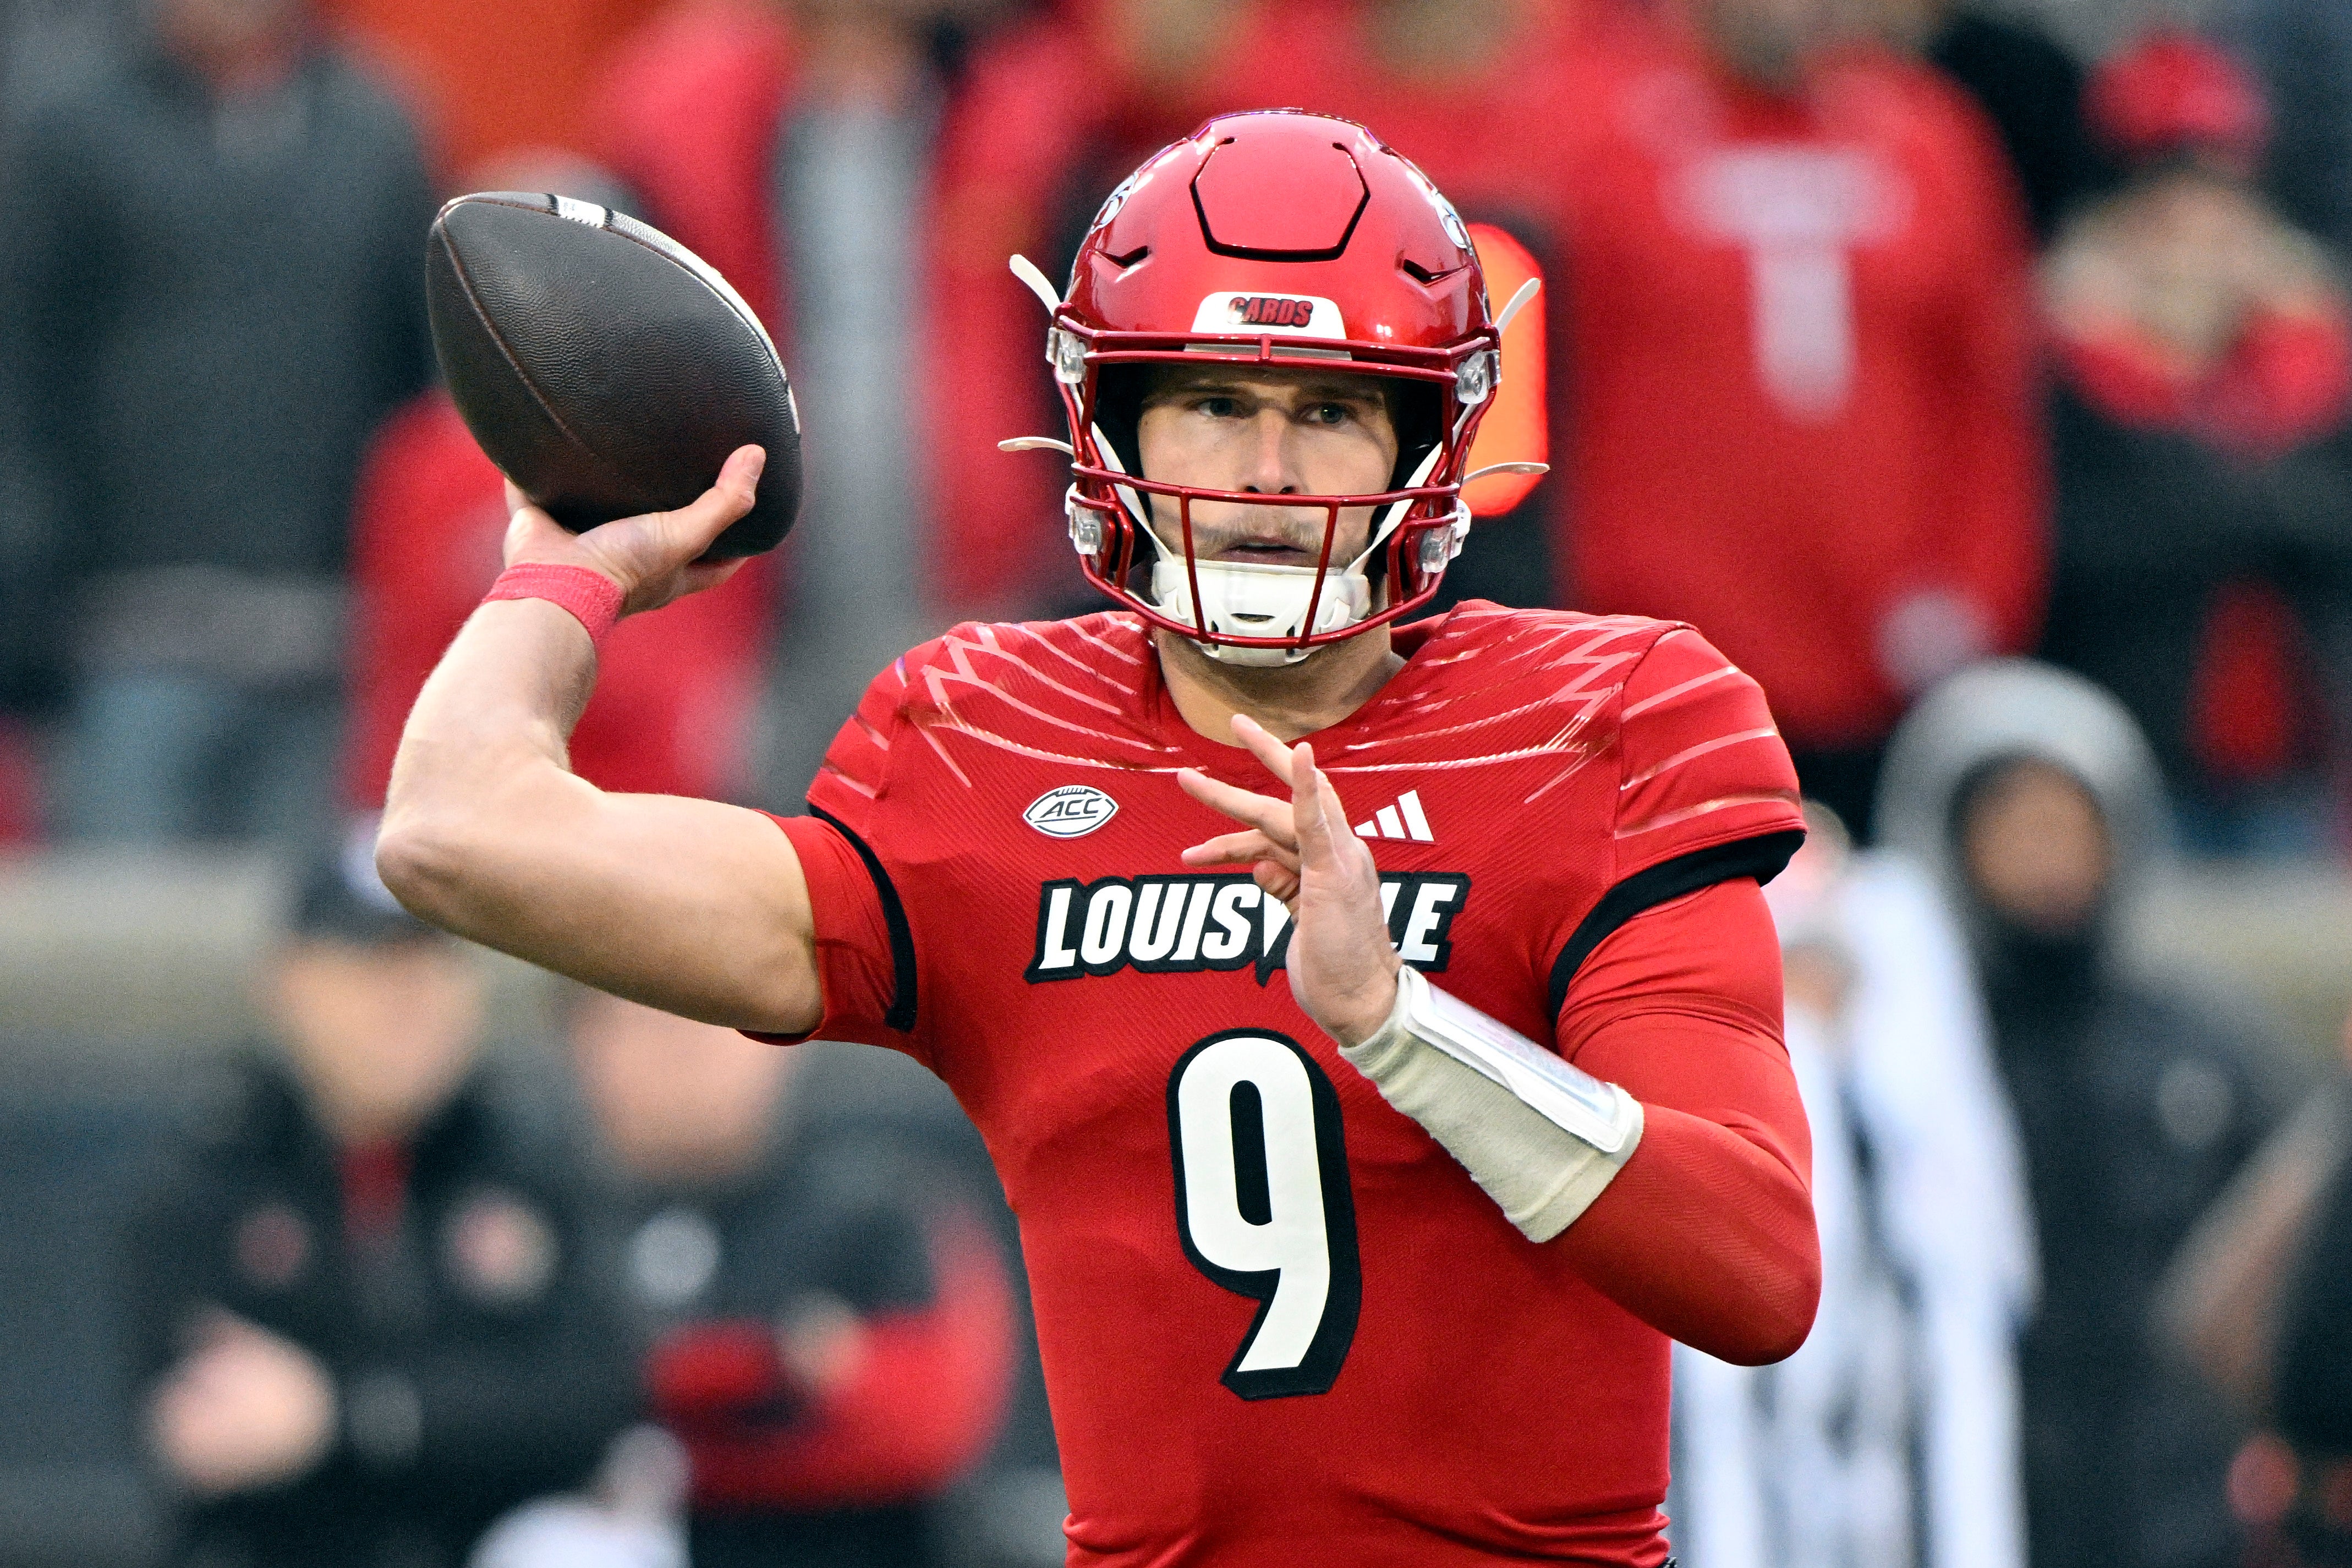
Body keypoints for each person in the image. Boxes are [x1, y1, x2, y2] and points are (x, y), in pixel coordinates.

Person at [376, 111, 1822, 1564]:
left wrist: (1400, 1026)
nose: (1266, 469)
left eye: (1327, 409)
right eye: (1208, 400)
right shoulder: (982, 742)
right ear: (1108, 423)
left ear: (1425, 440)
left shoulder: (1601, 721)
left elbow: (1757, 1273)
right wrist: (563, 579)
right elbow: (452, 832)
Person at [1540, 0, 2046, 837]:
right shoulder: (1601, 136)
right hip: (1661, 662)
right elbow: (1548, 392)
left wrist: (1974, 593)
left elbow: (1986, 399)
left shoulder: (1926, 137)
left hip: (1884, 661)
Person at [123, 835, 639, 1568]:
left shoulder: (527, 1157)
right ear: (288, 982)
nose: (407, 998)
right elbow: (206, 1434)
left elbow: (588, 1398)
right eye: (372, 965)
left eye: (428, 962)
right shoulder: (216, 1172)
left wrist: (345, 1413)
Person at [1876, 659, 2288, 1568]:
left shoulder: (2201, 1047)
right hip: (1974, 1500)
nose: (2045, 853)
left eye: (2069, 822)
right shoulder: (1902, 1060)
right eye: (2013, 823)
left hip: (2183, 1505)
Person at [0, 0, 436, 845]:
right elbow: (23, 373)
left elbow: (418, 388)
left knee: (303, 958)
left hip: (323, 636)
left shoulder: (374, 130)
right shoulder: (71, 127)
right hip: (125, 636)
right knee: (123, 950)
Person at [1670, 805, 2033, 1568]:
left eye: (1833, 979)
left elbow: (1979, 1290)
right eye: (1793, 975)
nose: (1815, 1009)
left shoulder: (1920, 1115)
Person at [2035, 30, 2352, 849]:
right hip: (2129, 755)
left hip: (2293, 758)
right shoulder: (2066, 363)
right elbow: (2096, 543)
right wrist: (2150, 377)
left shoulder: (2302, 354)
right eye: (2163, 201)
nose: (2193, 233)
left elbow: (2327, 527)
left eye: (2217, 198)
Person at [568, 992, 1018, 1566]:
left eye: (713, 1022)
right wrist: (772, 1368)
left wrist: (657, 1428)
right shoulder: (527, 1202)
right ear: (581, 1039)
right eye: (652, 1023)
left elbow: (932, 1415)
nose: (687, 1052)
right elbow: (495, 1411)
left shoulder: (872, 1204)